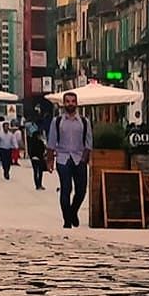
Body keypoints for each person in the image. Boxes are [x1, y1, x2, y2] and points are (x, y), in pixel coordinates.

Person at [46, 90, 93, 229]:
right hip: (63, 158)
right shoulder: (57, 122)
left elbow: (89, 142)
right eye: (67, 101)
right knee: (66, 189)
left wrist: (85, 159)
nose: (70, 104)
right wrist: (50, 161)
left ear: (77, 103)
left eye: (73, 101)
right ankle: (67, 220)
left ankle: (73, 212)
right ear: (63, 104)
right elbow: (51, 142)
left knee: (81, 190)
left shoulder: (84, 122)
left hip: (79, 158)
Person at [27, 122, 47, 189]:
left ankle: (37, 185)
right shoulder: (39, 142)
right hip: (38, 158)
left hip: (35, 158)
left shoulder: (32, 142)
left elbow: (30, 151)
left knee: (36, 172)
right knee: (39, 172)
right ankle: (39, 184)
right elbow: (43, 150)